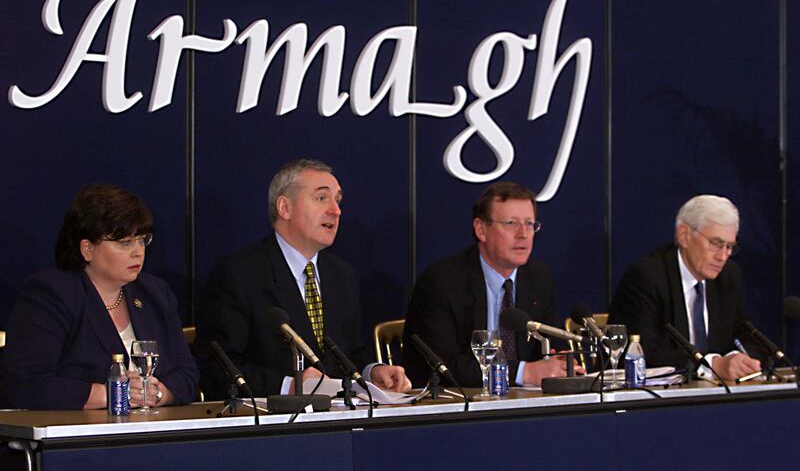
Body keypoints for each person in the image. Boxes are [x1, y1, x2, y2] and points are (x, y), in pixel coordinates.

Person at [197, 159, 410, 398]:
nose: (336, 210)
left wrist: (373, 372)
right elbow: (215, 369)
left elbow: (349, 353)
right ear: (284, 208)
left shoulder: (342, 274)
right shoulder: (238, 274)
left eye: (338, 201)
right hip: (273, 425)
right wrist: (289, 386)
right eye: (321, 198)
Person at [0, 185, 199, 410]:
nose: (138, 251)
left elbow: (187, 374)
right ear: (87, 249)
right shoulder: (51, 294)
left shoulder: (155, 292)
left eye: (142, 240)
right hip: (76, 438)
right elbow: (27, 384)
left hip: (150, 434)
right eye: (125, 242)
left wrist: (158, 393)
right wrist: (115, 394)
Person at [402, 182, 581, 388]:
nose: (523, 233)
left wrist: (559, 359)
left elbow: (550, 339)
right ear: (481, 230)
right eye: (511, 223)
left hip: (522, 403)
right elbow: (443, 365)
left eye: (530, 224)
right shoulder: (441, 283)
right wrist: (525, 372)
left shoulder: (539, 277)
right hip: (455, 405)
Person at [609, 194, 761, 380]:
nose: (722, 256)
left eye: (729, 247)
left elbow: (747, 337)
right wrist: (710, 365)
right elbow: (640, 354)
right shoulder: (647, 276)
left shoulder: (729, 276)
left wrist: (738, 358)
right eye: (716, 243)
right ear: (685, 236)